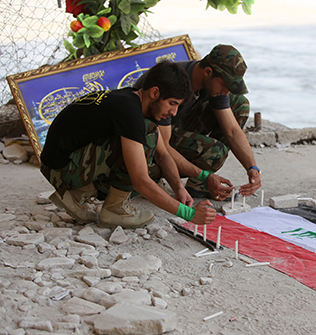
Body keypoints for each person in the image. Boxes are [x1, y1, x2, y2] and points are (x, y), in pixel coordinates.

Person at [40, 61, 216, 229]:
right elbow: (140, 181)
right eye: (172, 103)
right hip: (60, 170)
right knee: (146, 137)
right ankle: (113, 208)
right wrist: (190, 214)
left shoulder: (132, 99)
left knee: (150, 135)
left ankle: (77, 194)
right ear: (155, 93)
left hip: (64, 164)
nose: (174, 112)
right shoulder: (129, 111)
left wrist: (179, 189)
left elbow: (163, 154)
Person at [134, 44, 262, 202]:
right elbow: (163, 150)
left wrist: (252, 168)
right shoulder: (174, 84)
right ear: (208, 72)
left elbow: (232, 131)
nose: (226, 92)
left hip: (174, 128)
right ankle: (151, 178)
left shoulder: (211, 83)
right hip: (147, 140)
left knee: (239, 103)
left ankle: (198, 185)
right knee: (215, 151)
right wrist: (196, 179)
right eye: (224, 85)